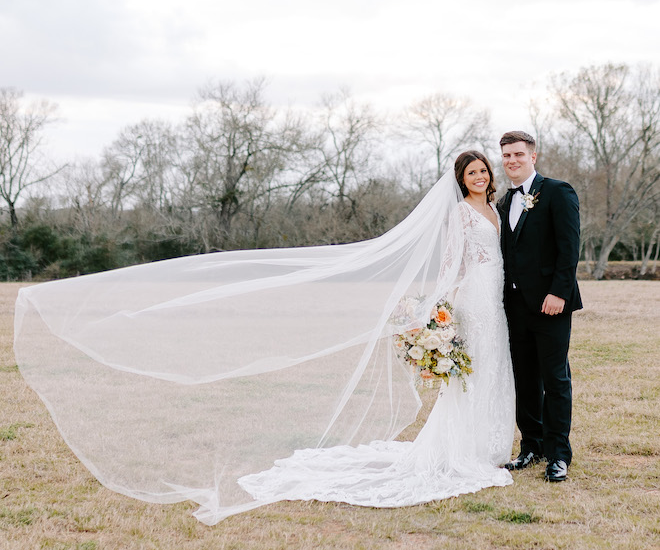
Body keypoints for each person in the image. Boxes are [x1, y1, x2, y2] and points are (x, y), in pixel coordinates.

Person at [14, 151, 514, 525]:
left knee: (495, 370)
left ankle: (489, 444)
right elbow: (452, 262)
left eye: (483, 171)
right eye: (472, 173)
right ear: (459, 179)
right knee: (471, 377)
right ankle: (461, 451)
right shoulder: (457, 213)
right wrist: (436, 308)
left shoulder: (497, 206)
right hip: (470, 299)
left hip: (495, 301)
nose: (480, 177)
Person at [496, 131, 582, 482]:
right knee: (524, 378)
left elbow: (569, 245)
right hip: (514, 305)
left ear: (534, 156)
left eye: (518, 154)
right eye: (506, 156)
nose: (511, 161)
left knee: (555, 377)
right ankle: (531, 445)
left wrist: (559, 292)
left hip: (551, 304)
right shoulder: (503, 202)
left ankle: (558, 453)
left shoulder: (558, 192)